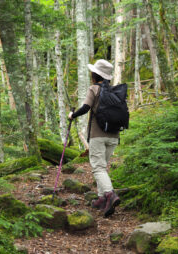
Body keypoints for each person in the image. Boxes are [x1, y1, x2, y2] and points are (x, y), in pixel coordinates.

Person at [68, 59, 120, 218]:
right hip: (114, 136)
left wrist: (72, 115)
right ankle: (101, 198)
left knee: (98, 168)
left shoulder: (94, 88)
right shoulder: (115, 91)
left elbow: (85, 107)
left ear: (95, 74)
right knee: (102, 167)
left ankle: (110, 195)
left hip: (98, 134)